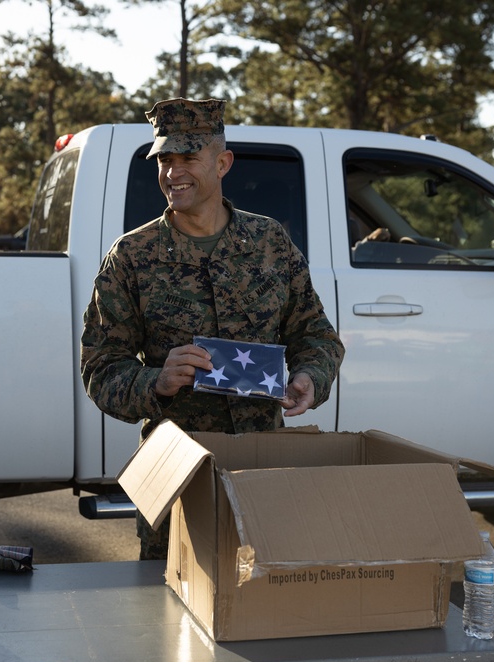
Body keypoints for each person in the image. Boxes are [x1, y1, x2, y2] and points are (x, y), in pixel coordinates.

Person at [80, 97, 344, 560]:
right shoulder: (132, 257)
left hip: (261, 472)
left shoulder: (270, 243)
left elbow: (317, 336)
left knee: (263, 602)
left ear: (222, 163)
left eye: (188, 158)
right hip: (177, 472)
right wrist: (154, 380)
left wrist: (310, 379)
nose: (172, 172)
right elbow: (100, 369)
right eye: (164, 159)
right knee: (165, 619)